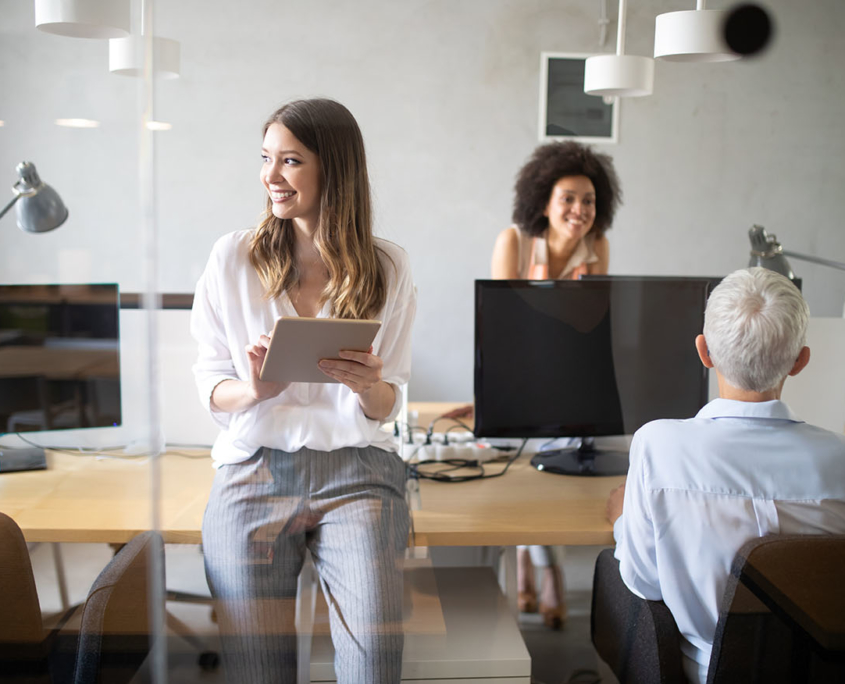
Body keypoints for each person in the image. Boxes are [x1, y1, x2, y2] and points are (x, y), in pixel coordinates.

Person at [190, 98, 416, 684]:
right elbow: (210, 385)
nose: (270, 176)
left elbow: (390, 401)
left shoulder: (388, 267)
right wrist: (254, 390)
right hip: (253, 469)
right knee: (258, 671)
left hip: (359, 472)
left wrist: (369, 387)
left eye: (289, 161)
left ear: (333, 170)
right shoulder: (233, 257)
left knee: (374, 667)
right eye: (265, 158)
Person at [607, 267, 845, 684]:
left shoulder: (658, 446)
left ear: (704, 351)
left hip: (706, 671)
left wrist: (621, 521)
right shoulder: (839, 458)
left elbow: (643, 582)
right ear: (800, 360)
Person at [491, 140, 622, 629]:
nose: (579, 210)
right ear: (543, 201)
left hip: (570, 384)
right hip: (518, 383)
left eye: (588, 200)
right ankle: (549, 577)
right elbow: (502, 329)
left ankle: (529, 567)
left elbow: (593, 329)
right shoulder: (515, 244)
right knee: (526, 477)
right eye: (568, 198)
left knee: (557, 474)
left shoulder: (598, 248)